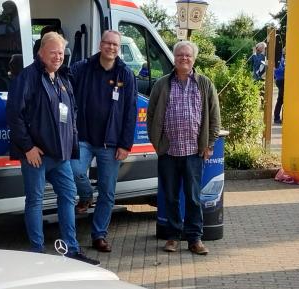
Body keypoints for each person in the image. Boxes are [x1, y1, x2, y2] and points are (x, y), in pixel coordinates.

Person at [6, 32, 99, 265]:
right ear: (41, 52)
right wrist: (28, 148)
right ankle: (37, 253)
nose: (58, 57)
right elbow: (14, 115)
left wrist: (71, 147)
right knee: (35, 201)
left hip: (61, 156)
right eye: (53, 52)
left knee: (69, 197)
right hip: (36, 155)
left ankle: (71, 250)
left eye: (61, 53)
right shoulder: (26, 77)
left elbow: (72, 115)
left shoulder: (63, 79)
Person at [147, 40, 220, 256]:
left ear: (194, 59)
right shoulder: (162, 84)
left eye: (187, 56)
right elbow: (151, 116)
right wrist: (156, 143)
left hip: (194, 152)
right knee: (170, 196)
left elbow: (214, 117)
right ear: (174, 59)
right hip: (168, 152)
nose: (184, 59)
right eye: (180, 56)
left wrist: (209, 144)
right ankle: (172, 236)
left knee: (193, 197)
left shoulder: (204, 84)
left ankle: (195, 238)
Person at [69, 30, 136, 253]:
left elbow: (130, 111)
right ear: (100, 44)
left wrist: (126, 144)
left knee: (108, 191)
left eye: (115, 44)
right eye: (107, 43)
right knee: (75, 170)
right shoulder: (83, 68)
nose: (111, 47)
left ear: (119, 48)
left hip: (112, 142)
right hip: (84, 137)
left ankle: (99, 235)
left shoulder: (125, 74)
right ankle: (86, 195)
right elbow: (63, 85)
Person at [273, 50, 285, 124]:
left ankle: (277, 117)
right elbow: (279, 70)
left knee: (281, 99)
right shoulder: (278, 57)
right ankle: (276, 117)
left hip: (280, 79)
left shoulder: (280, 57)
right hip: (281, 80)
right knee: (280, 99)